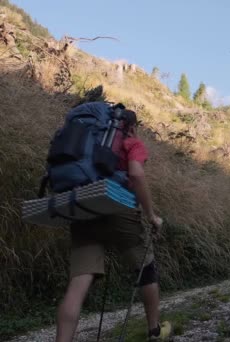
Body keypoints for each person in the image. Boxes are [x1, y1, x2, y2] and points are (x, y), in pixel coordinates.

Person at [55, 108, 172, 341]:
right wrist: (151, 216)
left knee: (78, 283)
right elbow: (137, 175)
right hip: (119, 210)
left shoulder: (86, 140)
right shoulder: (131, 142)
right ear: (132, 126)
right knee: (145, 269)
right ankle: (155, 331)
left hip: (83, 208)